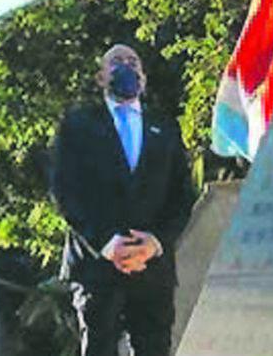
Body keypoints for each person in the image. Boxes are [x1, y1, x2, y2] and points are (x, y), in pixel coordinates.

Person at [51, 44, 197, 356]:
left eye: (133, 62)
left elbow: (183, 195)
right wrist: (107, 244)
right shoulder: (78, 125)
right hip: (96, 267)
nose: (126, 66)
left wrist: (155, 243)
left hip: (152, 269)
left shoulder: (165, 127)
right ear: (101, 77)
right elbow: (66, 192)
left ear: (143, 79)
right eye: (116, 61)